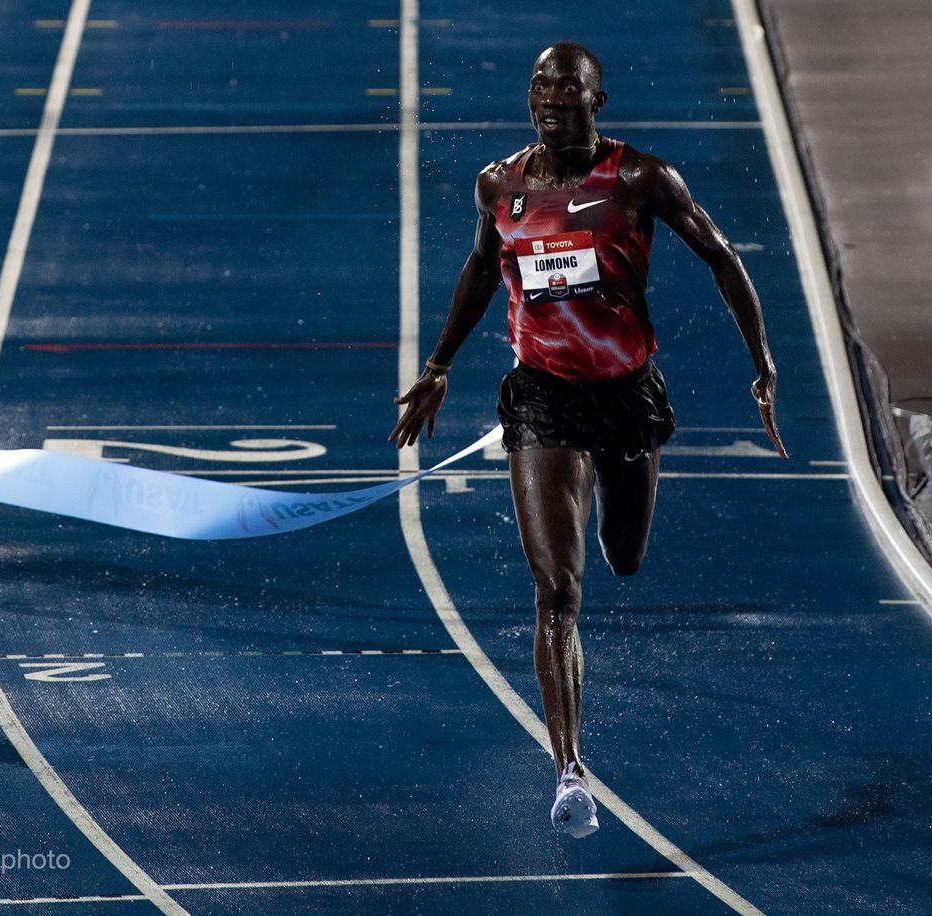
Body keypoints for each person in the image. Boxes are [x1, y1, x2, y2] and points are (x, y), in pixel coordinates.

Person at [389, 42, 787, 839]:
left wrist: (763, 366)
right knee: (556, 593)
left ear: (597, 100)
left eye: (566, 87)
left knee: (625, 555)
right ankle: (569, 770)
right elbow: (478, 269)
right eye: (539, 85)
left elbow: (721, 256)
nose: (548, 97)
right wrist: (438, 365)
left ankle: (612, 513)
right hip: (540, 397)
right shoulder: (499, 185)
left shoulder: (639, 178)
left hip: (626, 395)